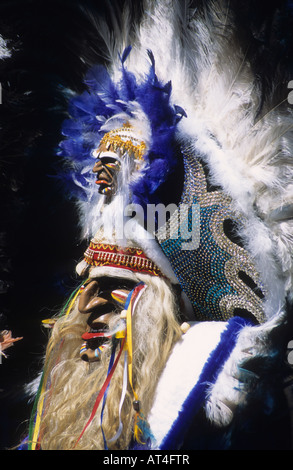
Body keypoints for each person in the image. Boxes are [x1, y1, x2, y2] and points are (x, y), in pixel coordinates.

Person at [23, 0, 293, 450]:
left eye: (117, 288)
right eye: (89, 281)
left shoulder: (213, 393)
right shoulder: (40, 403)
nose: (89, 301)